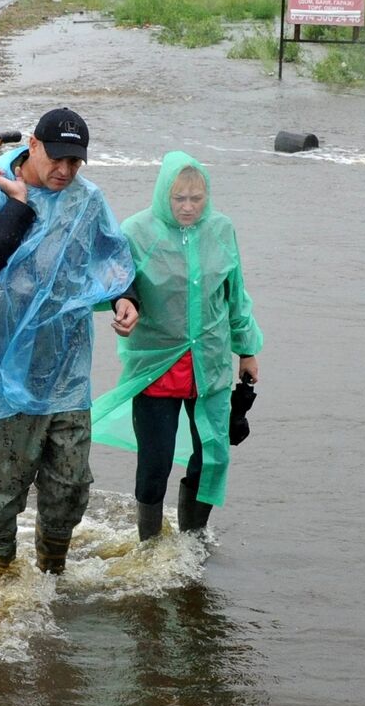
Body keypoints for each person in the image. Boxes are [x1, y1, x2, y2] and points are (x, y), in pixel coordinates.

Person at [0, 107, 137, 583]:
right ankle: (3, 592)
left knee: (71, 485)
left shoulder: (86, 201)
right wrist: (19, 207)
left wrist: (126, 297)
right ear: (33, 144)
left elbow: (111, 257)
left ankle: (51, 583)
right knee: (0, 494)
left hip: (66, 372)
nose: (65, 170)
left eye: (75, 163)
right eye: (57, 158)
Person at [93, 151, 262, 541]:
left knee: (212, 457)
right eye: (178, 199)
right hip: (157, 365)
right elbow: (114, 283)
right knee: (155, 462)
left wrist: (247, 349)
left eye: (196, 199)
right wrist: (124, 308)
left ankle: (192, 540)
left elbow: (234, 294)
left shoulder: (221, 230)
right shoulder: (136, 232)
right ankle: (150, 546)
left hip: (211, 364)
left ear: (208, 197)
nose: (187, 208)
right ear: (163, 196)